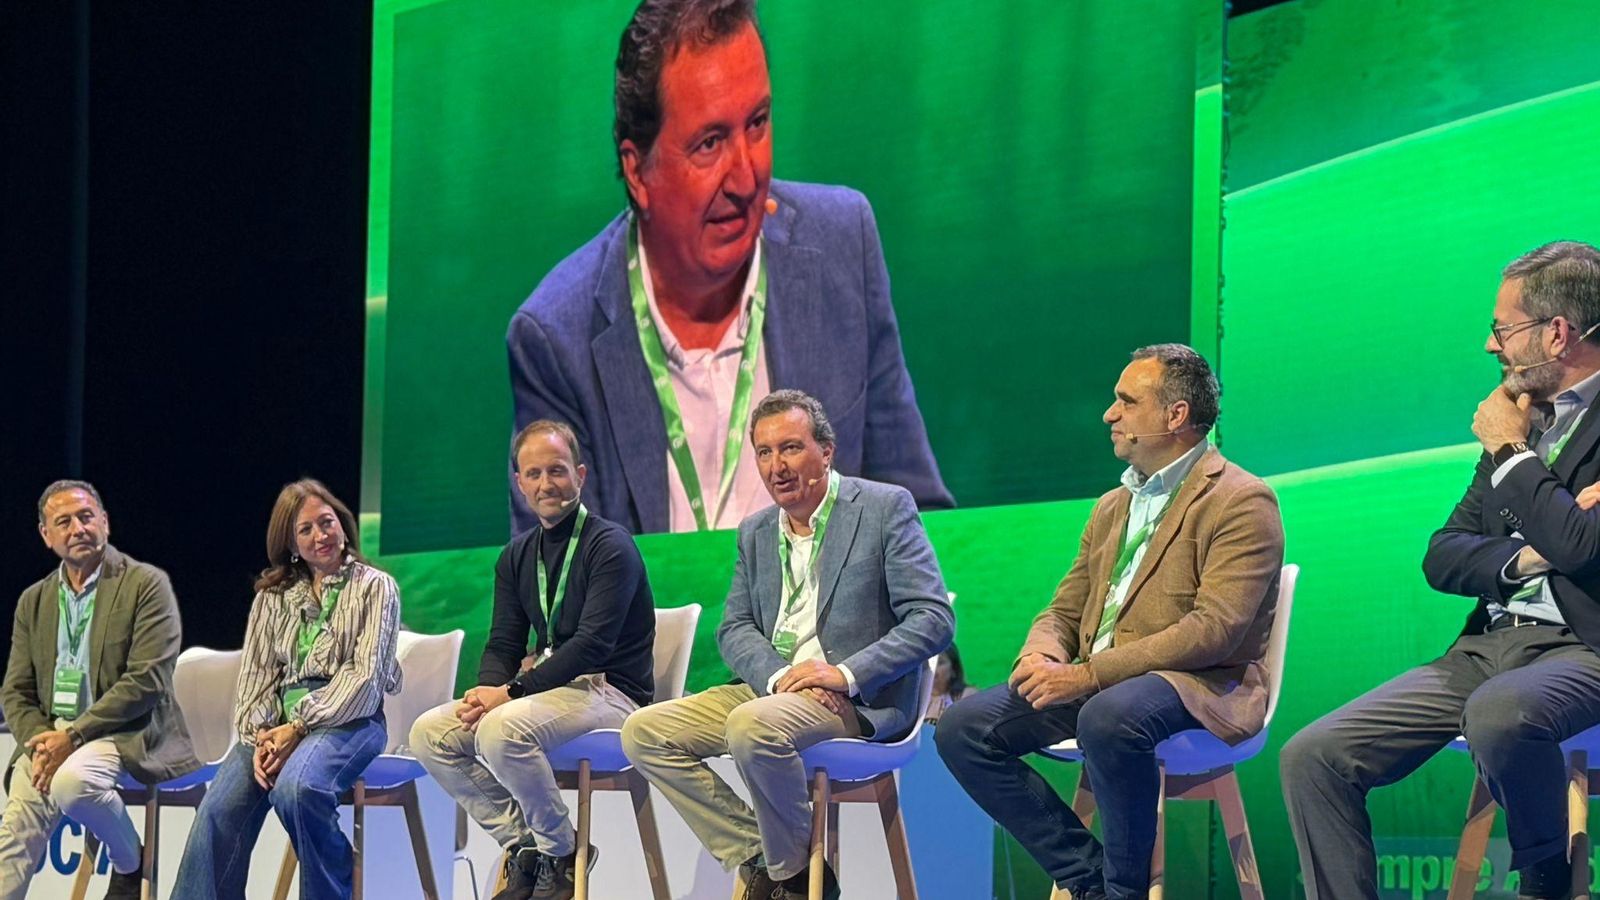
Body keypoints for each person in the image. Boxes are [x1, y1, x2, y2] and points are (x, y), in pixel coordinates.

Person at [506, 0, 951, 536]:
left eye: (757, 123)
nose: (746, 177)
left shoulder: (842, 247)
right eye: (710, 143)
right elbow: (556, 567)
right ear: (638, 171)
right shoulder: (555, 341)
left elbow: (916, 516)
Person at [1281, 241, 1600, 900]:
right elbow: (1444, 553)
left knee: (1499, 713)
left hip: (1584, 649)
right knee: (1313, 756)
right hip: (1488, 648)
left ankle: (1546, 877)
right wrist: (1530, 554)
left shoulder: (1509, 431)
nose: (1490, 345)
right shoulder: (1526, 417)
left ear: (1557, 333)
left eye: (1502, 329)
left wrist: (1510, 452)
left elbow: (1581, 549)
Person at [935, 344, 1285, 900]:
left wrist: (1087, 674)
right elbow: (1064, 609)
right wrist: (1041, 654)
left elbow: (1214, 630)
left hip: (1197, 684)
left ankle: (1125, 890)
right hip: (1099, 682)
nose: (1109, 414)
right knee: (962, 728)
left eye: (1127, 401)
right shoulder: (1111, 506)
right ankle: (1091, 880)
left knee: (1108, 717)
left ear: (1175, 415)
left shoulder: (1242, 500)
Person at [621, 389, 953, 899]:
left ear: (827, 451)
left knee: (750, 725)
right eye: (764, 452)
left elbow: (933, 618)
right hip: (772, 688)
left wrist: (842, 675)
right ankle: (782, 866)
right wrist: (779, 678)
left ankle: (784, 875)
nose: (777, 466)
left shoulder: (884, 508)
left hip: (851, 699)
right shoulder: (755, 531)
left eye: (791, 448)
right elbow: (734, 627)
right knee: (644, 731)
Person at [411, 420, 656, 900]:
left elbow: (591, 645)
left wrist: (509, 693)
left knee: (503, 730)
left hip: (610, 693)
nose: (547, 484)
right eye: (534, 473)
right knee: (430, 734)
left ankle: (561, 857)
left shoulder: (610, 546)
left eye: (557, 471)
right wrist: (486, 694)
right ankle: (529, 845)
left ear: (580, 475)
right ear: (519, 483)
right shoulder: (516, 555)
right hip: (547, 694)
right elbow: (504, 643)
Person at [172, 479, 401, 900]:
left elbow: (365, 680)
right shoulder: (272, 597)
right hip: (276, 727)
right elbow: (256, 678)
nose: (321, 535)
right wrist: (262, 737)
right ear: (291, 544)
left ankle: (333, 875)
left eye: (326, 522)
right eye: (306, 530)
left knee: (297, 788)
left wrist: (297, 727)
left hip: (350, 718)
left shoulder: (375, 586)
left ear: (343, 524)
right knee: (218, 810)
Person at [0, 480, 197, 900]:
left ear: (105, 522)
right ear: (46, 535)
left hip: (124, 731)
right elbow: (15, 690)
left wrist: (73, 736)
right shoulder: (33, 601)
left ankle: (129, 863)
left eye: (86, 517)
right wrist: (41, 741)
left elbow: (147, 680)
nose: (78, 529)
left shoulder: (146, 584)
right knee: (13, 838)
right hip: (51, 737)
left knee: (72, 783)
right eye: (64, 522)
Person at [924, 644, 977, 725]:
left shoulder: (966, 696)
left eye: (940, 663)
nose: (933, 668)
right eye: (928, 663)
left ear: (953, 669)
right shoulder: (915, 699)